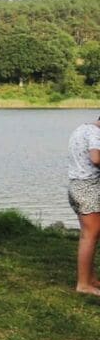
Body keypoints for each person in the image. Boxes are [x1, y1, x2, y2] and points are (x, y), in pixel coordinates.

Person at [67, 117, 100, 296]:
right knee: (90, 236)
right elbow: (96, 159)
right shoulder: (96, 133)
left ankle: (90, 279)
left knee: (91, 235)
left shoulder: (82, 129)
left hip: (76, 185)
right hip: (87, 188)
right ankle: (83, 285)